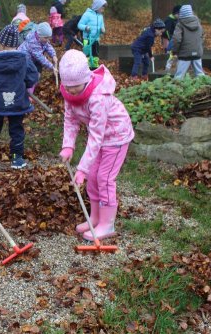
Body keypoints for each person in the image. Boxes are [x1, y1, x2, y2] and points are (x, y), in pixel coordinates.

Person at [58, 50, 134, 241]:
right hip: (100, 138)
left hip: (116, 136)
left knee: (105, 178)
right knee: (93, 176)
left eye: (77, 86)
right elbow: (70, 119)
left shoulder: (98, 97)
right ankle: (96, 217)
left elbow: (96, 136)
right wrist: (68, 146)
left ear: (86, 78)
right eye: (69, 86)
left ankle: (107, 224)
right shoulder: (69, 93)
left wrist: (81, 168)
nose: (72, 91)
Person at [0, 25, 39, 169]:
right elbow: (33, 76)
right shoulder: (24, 60)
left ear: (1, 42)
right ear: (17, 43)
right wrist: (25, 84)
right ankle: (16, 158)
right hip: (18, 101)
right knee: (16, 128)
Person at [172, 4, 205, 80]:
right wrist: (198, 46)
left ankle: (177, 90)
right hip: (197, 52)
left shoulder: (180, 25)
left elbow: (177, 39)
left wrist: (175, 51)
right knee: (200, 74)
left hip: (184, 54)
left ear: (181, 14)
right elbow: (202, 36)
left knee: (179, 76)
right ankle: (205, 89)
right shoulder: (198, 23)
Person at [78, 0, 107, 69]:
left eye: (103, 8)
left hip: (96, 39)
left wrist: (102, 29)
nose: (103, 10)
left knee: (95, 54)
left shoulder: (100, 16)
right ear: (97, 7)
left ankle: (94, 68)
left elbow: (102, 26)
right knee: (87, 54)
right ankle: (86, 69)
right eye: (102, 8)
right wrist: (86, 27)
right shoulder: (87, 14)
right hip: (87, 39)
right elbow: (79, 25)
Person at [163, 5, 181, 72]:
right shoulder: (169, 19)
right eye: (178, 14)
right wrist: (170, 38)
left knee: (176, 57)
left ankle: (177, 69)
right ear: (175, 13)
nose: (179, 16)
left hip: (175, 39)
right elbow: (166, 31)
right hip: (169, 38)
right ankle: (167, 69)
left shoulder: (177, 19)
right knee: (171, 56)